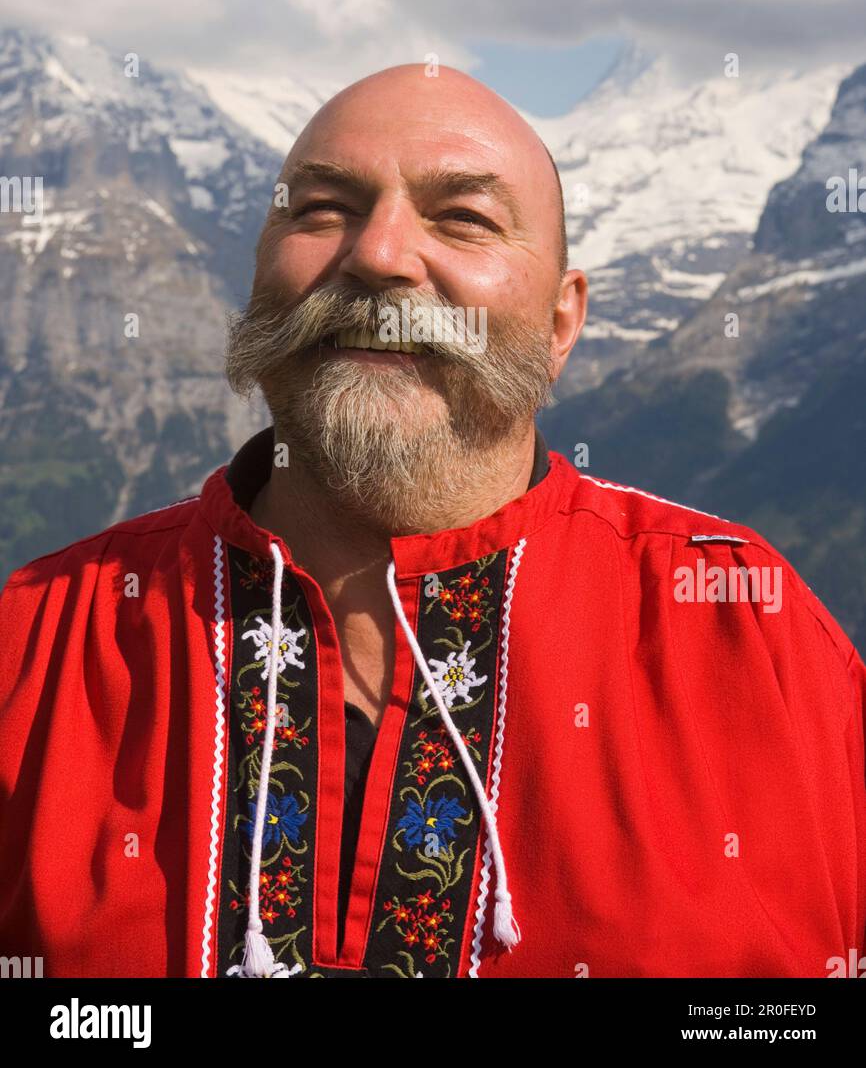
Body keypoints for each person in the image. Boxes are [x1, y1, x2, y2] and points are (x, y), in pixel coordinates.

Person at [0, 63, 863, 979]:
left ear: (562, 321)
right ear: (258, 272)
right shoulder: (34, 642)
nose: (378, 256)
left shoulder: (748, 633)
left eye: (464, 219)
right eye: (322, 207)